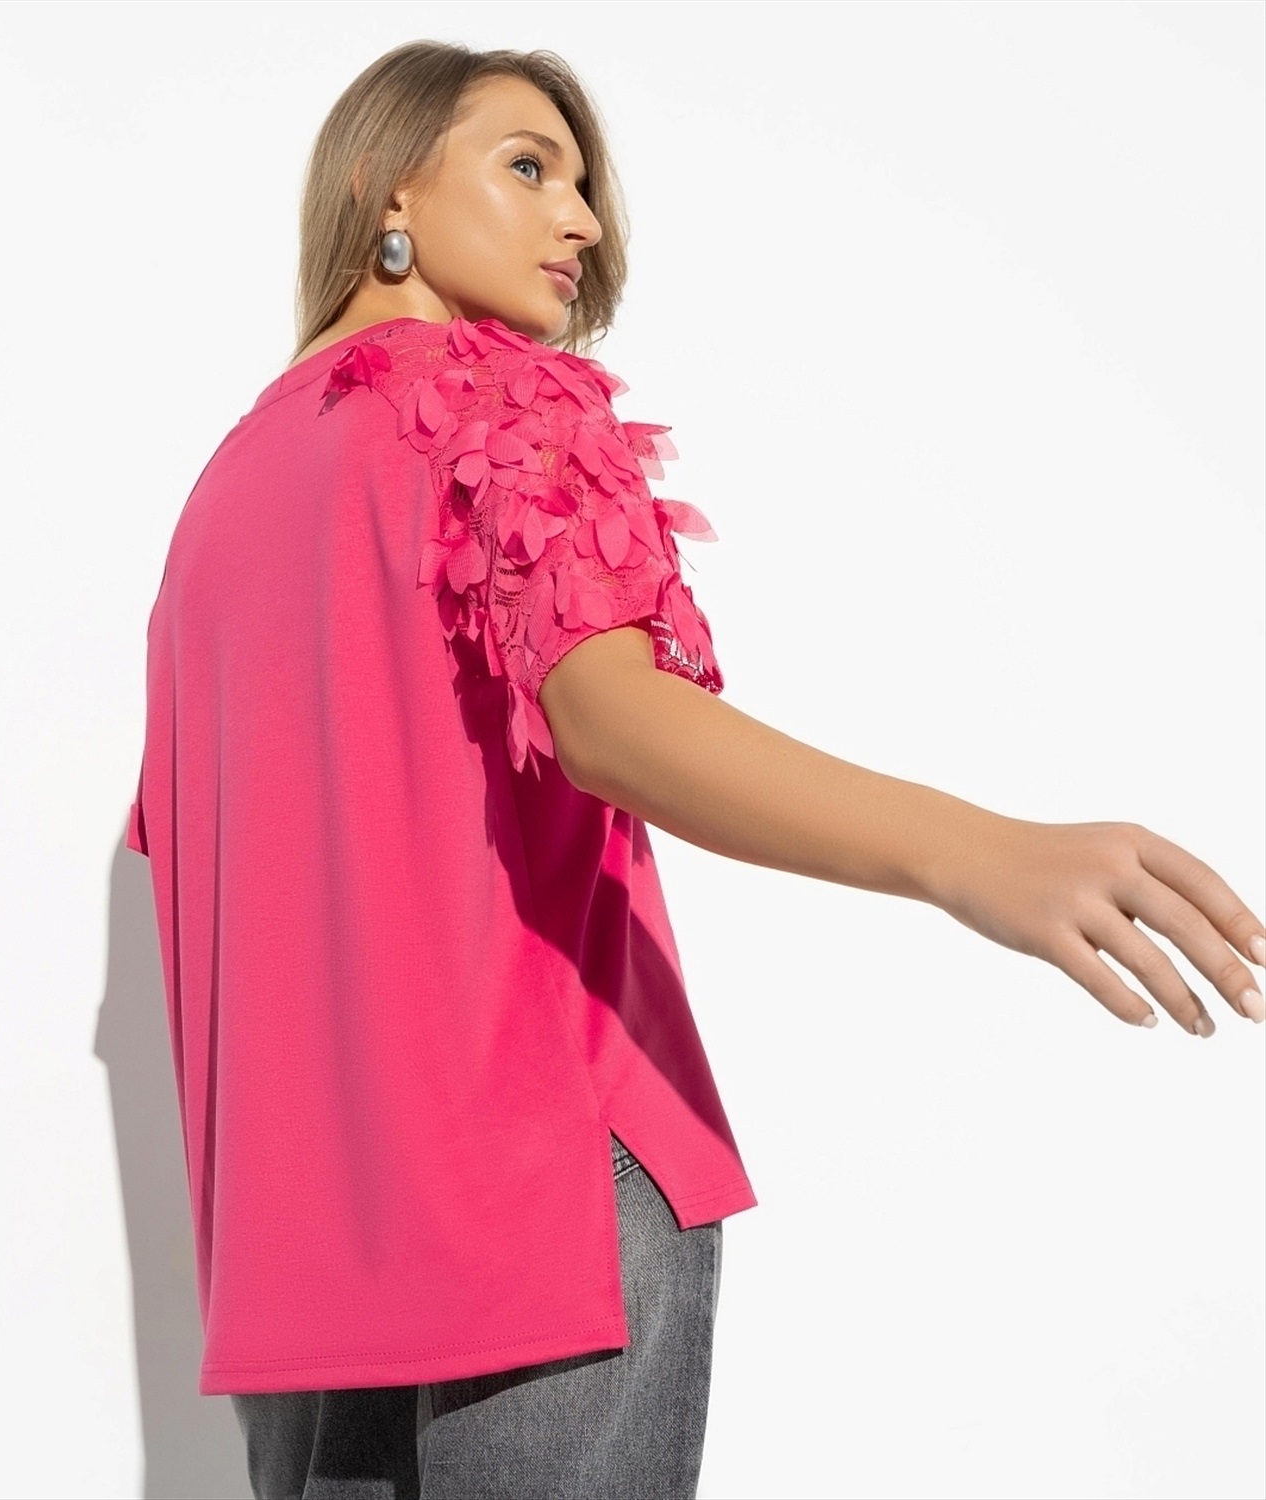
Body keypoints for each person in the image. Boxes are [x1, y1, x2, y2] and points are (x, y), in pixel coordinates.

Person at [123, 39, 1265, 1500]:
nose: (582, 219)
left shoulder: (220, 499)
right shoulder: (502, 402)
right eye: (530, 167)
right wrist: (970, 851)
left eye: (584, 186)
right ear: (386, 185)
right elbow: (612, 718)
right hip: (537, 1180)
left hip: (303, 1252)